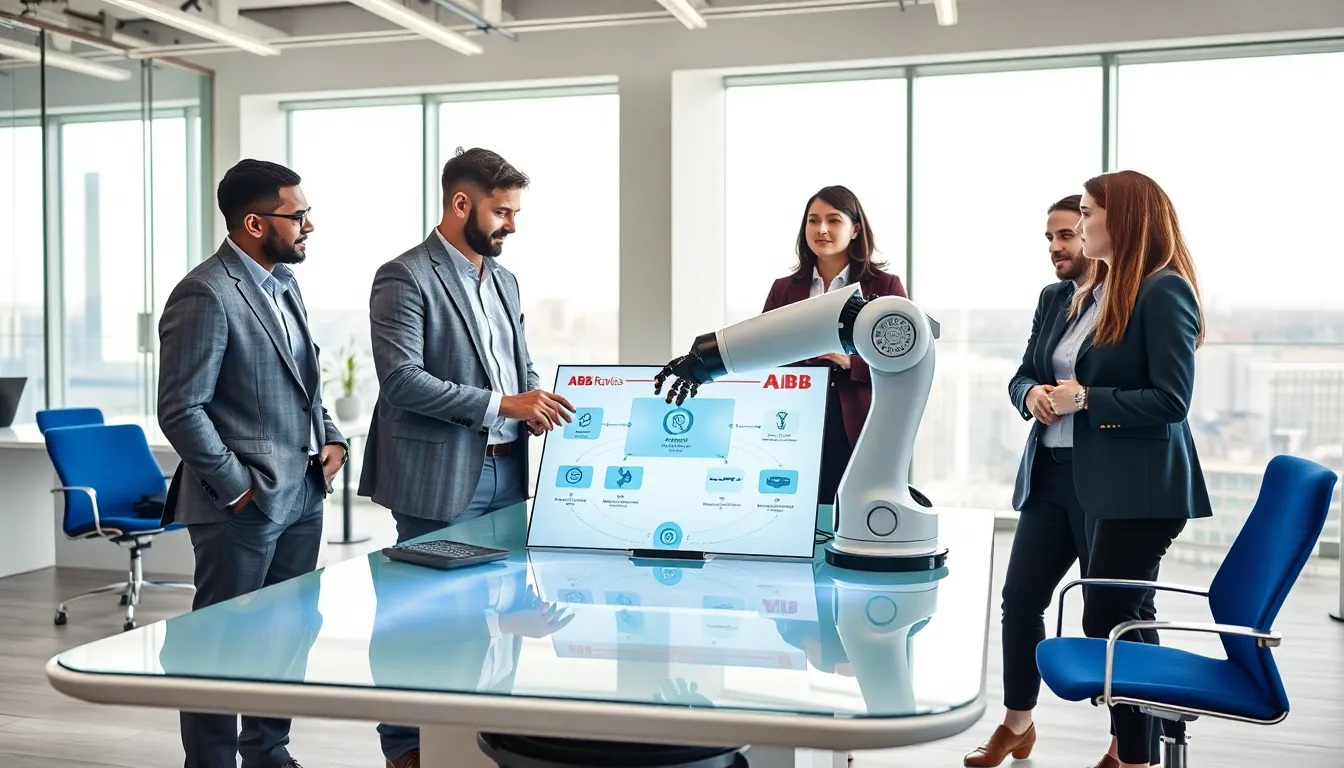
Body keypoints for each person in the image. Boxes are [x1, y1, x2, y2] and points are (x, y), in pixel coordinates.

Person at [359, 146, 575, 768]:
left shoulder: (505, 280)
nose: (512, 225)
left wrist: (536, 406)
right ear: (461, 204)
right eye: (502, 212)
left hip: (508, 470)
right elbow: (402, 381)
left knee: (504, 608)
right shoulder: (404, 275)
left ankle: (483, 737)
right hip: (439, 475)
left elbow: (519, 367)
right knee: (424, 620)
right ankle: (407, 747)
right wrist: (507, 403)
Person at [158, 158, 347, 768]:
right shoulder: (205, 293)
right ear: (253, 223)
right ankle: (210, 762)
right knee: (219, 642)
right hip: (241, 506)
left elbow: (305, 384)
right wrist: (238, 489)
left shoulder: (283, 284)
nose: (310, 225)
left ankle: (268, 752)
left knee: (288, 632)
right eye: (299, 215)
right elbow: (181, 409)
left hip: (302, 495)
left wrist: (334, 437)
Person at [967, 193, 1156, 767]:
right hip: (1050, 472)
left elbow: (1151, 390)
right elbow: (1025, 371)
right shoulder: (1053, 299)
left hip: (1111, 481)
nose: (1056, 247)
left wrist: (1082, 397)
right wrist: (1032, 394)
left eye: (1067, 234)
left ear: (1094, 233)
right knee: (1020, 599)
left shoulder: (1132, 297)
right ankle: (1018, 724)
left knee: (1120, 614)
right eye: (1048, 237)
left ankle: (1131, 744)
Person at [761, 185, 906, 505]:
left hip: (856, 418)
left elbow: (904, 360)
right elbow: (763, 355)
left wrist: (848, 361)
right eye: (813, 221)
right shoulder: (784, 290)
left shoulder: (884, 286)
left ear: (855, 229)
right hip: (794, 419)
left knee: (850, 511)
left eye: (833, 220)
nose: (821, 229)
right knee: (793, 505)